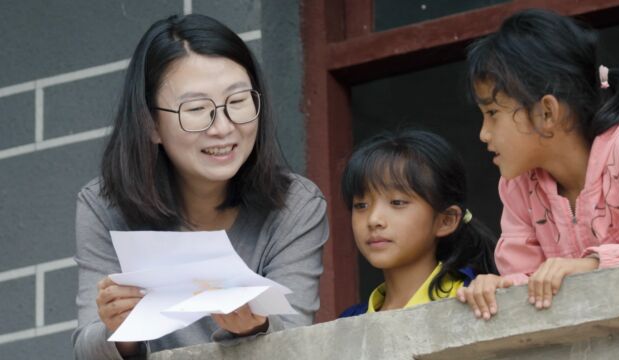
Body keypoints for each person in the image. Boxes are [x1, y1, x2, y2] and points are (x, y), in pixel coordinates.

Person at [72, 14, 328, 358]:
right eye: (196, 109)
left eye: (237, 102)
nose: (223, 127)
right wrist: (119, 330)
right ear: (151, 125)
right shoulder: (105, 205)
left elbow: (296, 346)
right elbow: (86, 351)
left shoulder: (296, 205)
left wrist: (256, 326)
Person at [456, 9, 619, 321]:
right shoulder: (517, 186)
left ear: (547, 112)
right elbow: (527, 281)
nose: (483, 134)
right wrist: (497, 286)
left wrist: (592, 264)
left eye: (492, 114)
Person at [339, 130, 497, 316]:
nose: (374, 220)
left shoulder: (473, 297)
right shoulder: (350, 321)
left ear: (446, 220)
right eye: (361, 205)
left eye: (397, 203)